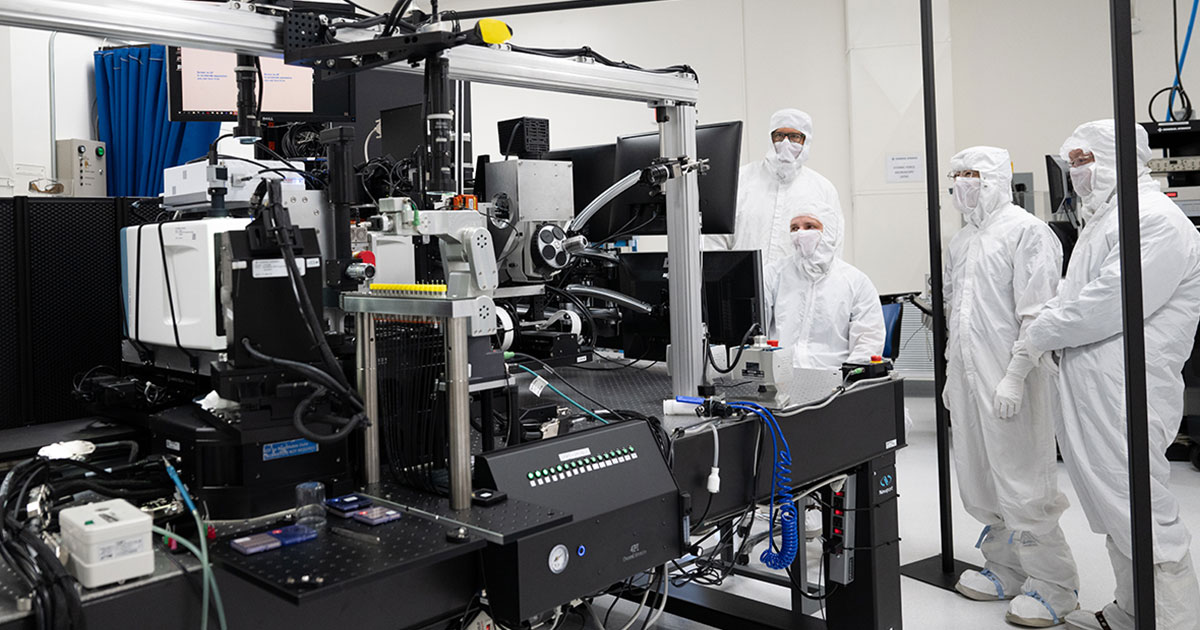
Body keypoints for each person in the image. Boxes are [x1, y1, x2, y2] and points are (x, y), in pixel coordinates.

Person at [1021, 120, 1200, 630]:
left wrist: (1042, 330)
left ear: (1119, 156)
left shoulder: (1155, 219)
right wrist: (1052, 321)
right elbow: (1077, 291)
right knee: (1109, 501)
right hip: (1094, 382)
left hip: (1126, 386)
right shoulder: (1106, 218)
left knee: (1137, 504)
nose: (1077, 173)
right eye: (1071, 163)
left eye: (1086, 159)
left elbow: (1107, 303)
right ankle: (1131, 609)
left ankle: (1169, 620)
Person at [941, 146, 1078, 627]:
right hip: (969, 377)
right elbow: (956, 312)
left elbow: (1037, 314)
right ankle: (1005, 567)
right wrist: (949, 374)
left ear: (998, 178)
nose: (962, 183)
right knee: (978, 475)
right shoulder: (961, 241)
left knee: (1023, 481)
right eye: (956, 175)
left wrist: (1016, 377)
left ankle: (1055, 586)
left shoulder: (1027, 232)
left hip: (1012, 376)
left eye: (972, 174)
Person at [763, 199, 884, 370]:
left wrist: (850, 378)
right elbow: (755, 329)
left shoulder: (856, 281)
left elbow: (868, 339)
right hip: (781, 373)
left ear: (828, 232)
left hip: (834, 375)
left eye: (810, 226)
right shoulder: (773, 274)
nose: (800, 233)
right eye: (794, 228)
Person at [719, 108, 842, 266]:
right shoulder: (740, 180)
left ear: (806, 141)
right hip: (743, 284)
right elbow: (716, 240)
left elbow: (834, 247)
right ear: (771, 138)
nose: (785, 143)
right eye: (779, 135)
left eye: (794, 137)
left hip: (799, 287)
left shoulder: (822, 189)